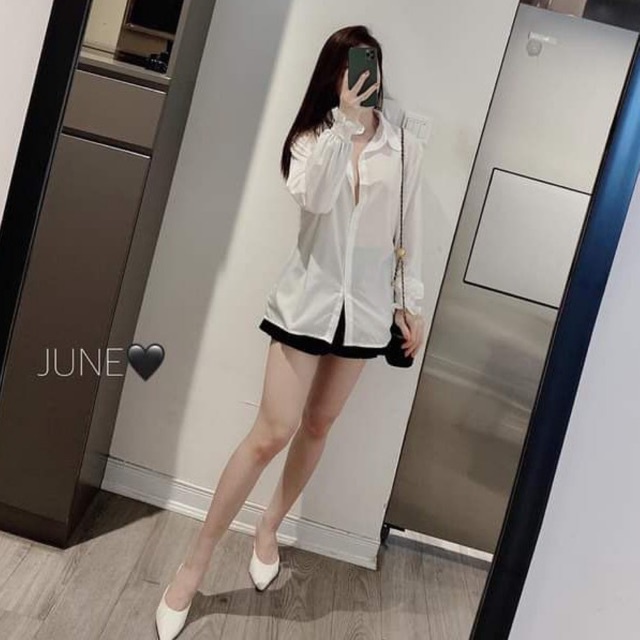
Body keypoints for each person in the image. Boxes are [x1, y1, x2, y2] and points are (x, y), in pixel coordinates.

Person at [154, 24, 426, 640]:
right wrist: (344, 127)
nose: (364, 77)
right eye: (352, 67)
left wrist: (410, 307)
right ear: (334, 75)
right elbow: (318, 202)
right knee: (270, 433)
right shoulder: (311, 140)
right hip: (306, 306)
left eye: (371, 66)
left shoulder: (404, 147)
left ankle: (270, 525)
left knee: (319, 424)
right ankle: (194, 565)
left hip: (364, 313)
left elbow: (408, 235)